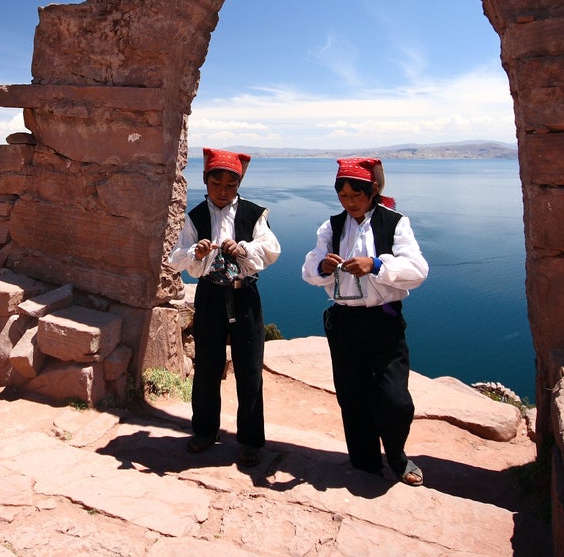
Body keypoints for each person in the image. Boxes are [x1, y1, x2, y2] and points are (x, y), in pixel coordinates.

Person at [302, 157, 429, 486]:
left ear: (373, 190)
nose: (349, 201)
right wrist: (323, 268)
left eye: (356, 194)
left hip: (384, 324)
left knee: (395, 399)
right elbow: (309, 269)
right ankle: (365, 461)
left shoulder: (396, 223)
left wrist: (375, 265)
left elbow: (417, 270)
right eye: (343, 195)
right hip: (344, 324)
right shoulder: (331, 227)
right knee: (351, 395)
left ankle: (398, 456)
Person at [169, 147, 281, 467]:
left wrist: (243, 249)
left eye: (230, 186)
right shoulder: (195, 218)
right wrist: (197, 253)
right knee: (207, 366)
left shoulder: (253, 213)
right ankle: (204, 432)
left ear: (238, 184)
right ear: (205, 181)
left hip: (244, 296)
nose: (222, 191)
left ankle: (250, 441)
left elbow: (271, 249)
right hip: (210, 297)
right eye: (216, 184)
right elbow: (177, 257)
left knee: (248, 369)